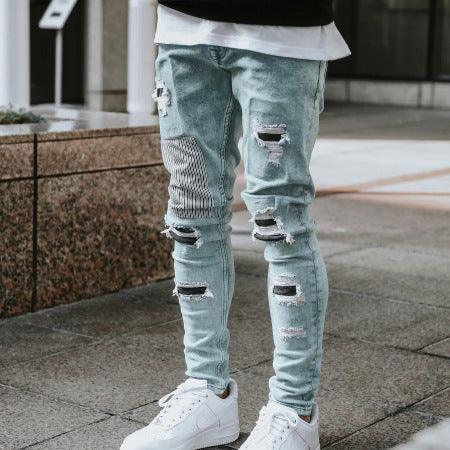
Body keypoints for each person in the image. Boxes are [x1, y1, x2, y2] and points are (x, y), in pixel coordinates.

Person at [121, 1, 350, 449]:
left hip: (281, 32)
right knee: (190, 214)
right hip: (182, 28)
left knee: (279, 218)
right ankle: (208, 391)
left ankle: (294, 410)